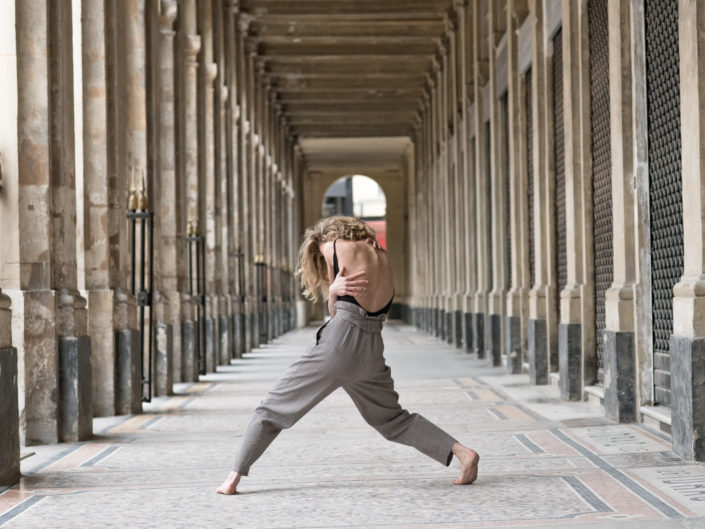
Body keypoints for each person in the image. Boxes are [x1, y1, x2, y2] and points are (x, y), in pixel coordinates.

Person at [216, 216, 479, 495]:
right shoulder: (382, 256)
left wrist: (331, 291)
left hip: (339, 344)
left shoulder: (334, 246)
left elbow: (336, 309)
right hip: (372, 346)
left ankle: (232, 479)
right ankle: (463, 453)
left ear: (327, 237)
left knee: (271, 410)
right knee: (392, 421)